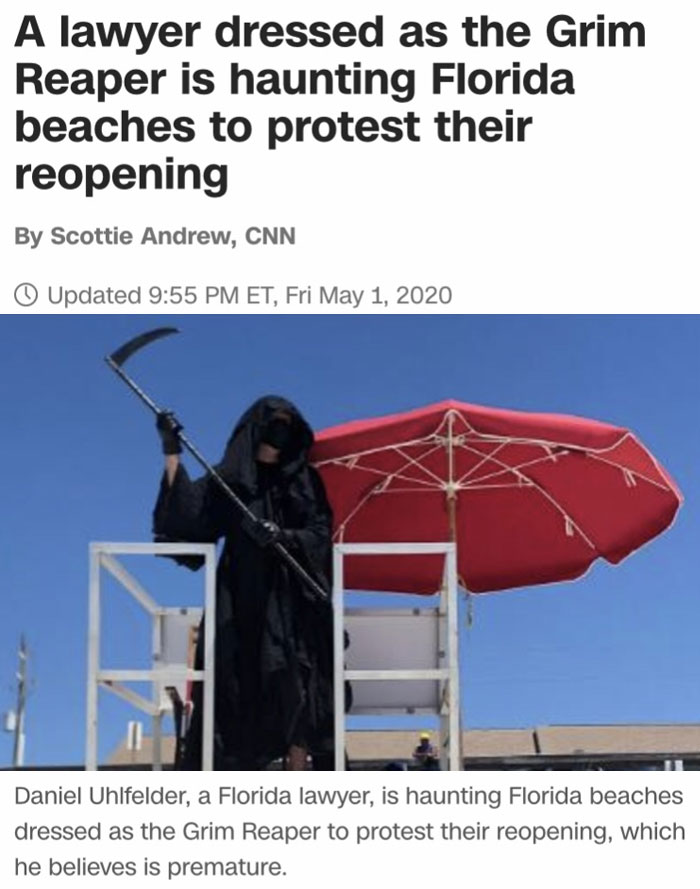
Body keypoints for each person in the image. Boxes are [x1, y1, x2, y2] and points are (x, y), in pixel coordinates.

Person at [152, 395, 334, 770]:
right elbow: (185, 517)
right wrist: (171, 451)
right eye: (273, 422)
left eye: (287, 423)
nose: (279, 431)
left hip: (293, 599)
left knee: (298, 684)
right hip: (241, 599)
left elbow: (320, 534)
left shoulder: (304, 481)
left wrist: (283, 536)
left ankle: (298, 774)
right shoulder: (230, 480)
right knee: (234, 686)